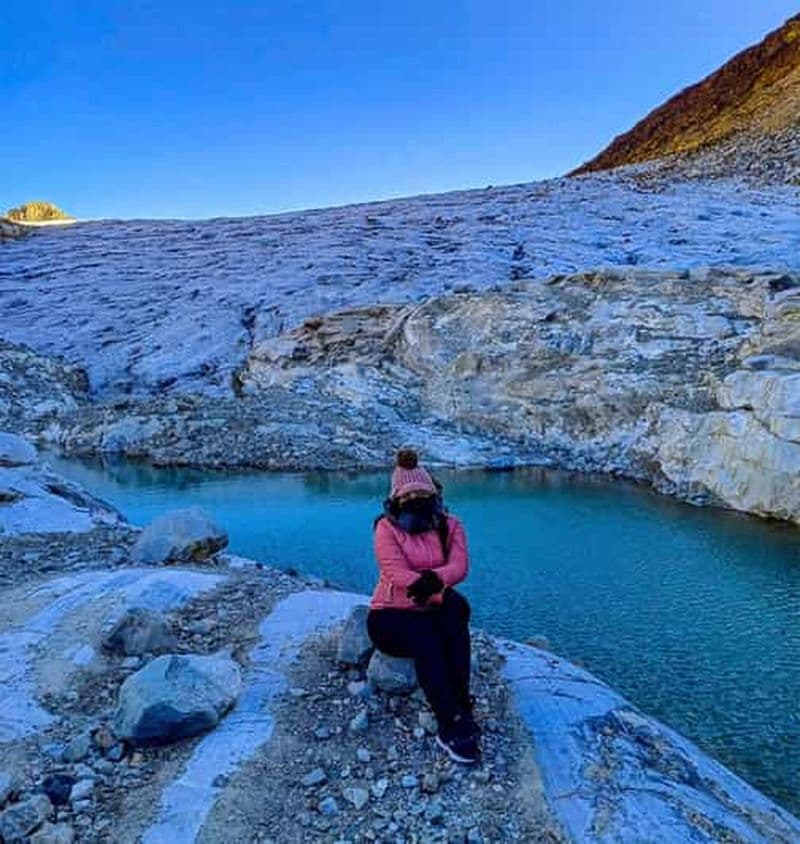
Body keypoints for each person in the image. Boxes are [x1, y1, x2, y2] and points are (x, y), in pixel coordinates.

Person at [366, 448, 480, 764]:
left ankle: (461, 702)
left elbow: (460, 565)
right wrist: (431, 586)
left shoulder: (449, 524)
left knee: (458, 622)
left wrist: (434, 580)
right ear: (396, 499)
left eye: (422, 491)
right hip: (390, 612)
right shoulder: (386, 528)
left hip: (430, 600)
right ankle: (449, 722)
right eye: (409, 493)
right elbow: (395, 572)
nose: (416, 497)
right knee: (429, 640)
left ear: (433, 491)